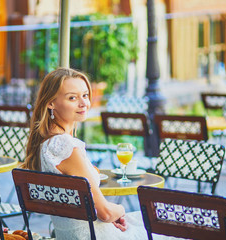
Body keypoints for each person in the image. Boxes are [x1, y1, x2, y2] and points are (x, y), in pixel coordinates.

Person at [22, 68, 176, 240]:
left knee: (156, 220)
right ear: (50, 103)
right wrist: (120, 211)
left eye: (85, 95)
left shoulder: (45, 144)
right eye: (72, 97)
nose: (83, 103)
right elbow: (106, 213)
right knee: (172, 227)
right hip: (96, 236)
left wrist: (112, 216)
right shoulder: (66, 147)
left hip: (75, 233)